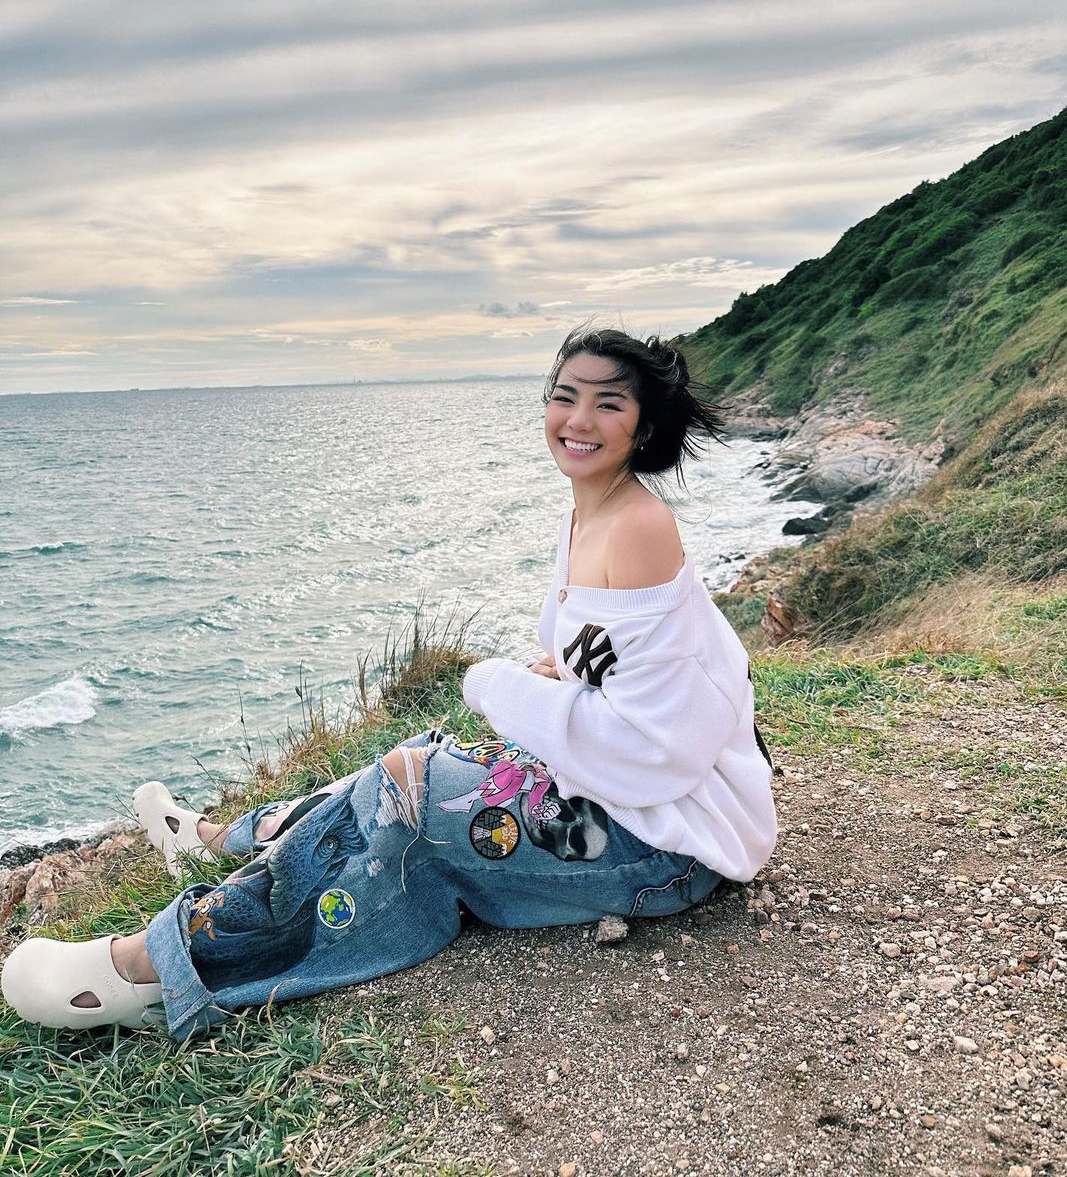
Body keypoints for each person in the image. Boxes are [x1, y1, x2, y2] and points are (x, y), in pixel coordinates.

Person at [1, 326, 777, 1041]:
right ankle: (222, 841)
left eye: (607, 403)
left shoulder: (638, 525)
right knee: (405, 766)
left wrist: (497, 685)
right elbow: (632, 662)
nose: (577, 418)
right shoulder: (587, 516)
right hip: (619, 800)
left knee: (413, 788)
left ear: (642, 426)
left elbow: (661, 747)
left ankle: (154, 967)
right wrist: (560, 675)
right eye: (564, 395)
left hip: (664, 843)